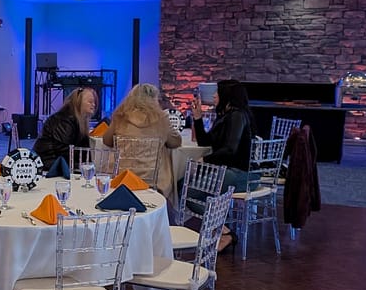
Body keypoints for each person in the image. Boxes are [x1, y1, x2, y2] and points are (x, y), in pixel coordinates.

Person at [191, 79, 254, 251]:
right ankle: (224, 231)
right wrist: (198, 118)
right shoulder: (224, 116)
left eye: (217, 92)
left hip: (239, 174)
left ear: (227, 95)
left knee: (188, 192)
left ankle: (224, 232)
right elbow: (204, 141)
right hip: (226, 170)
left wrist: (205, 160)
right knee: (184, 187)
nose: (214, 96)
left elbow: (230, 150)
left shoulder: (237, 116)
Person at [103, 83, 182, 201]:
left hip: (122, 178)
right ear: (154, 99)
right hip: (153, 182)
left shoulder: (120, 117)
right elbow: (176, 142)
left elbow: (107, 141)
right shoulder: (161, 119)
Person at [33, 88, 96, 171]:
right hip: (49, 165)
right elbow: (63, 152)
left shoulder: (77, 121)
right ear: (78, 102)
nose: (94, 105)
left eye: (94, 102)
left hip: (56, 164)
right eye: (90, 102)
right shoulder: (64, 120)